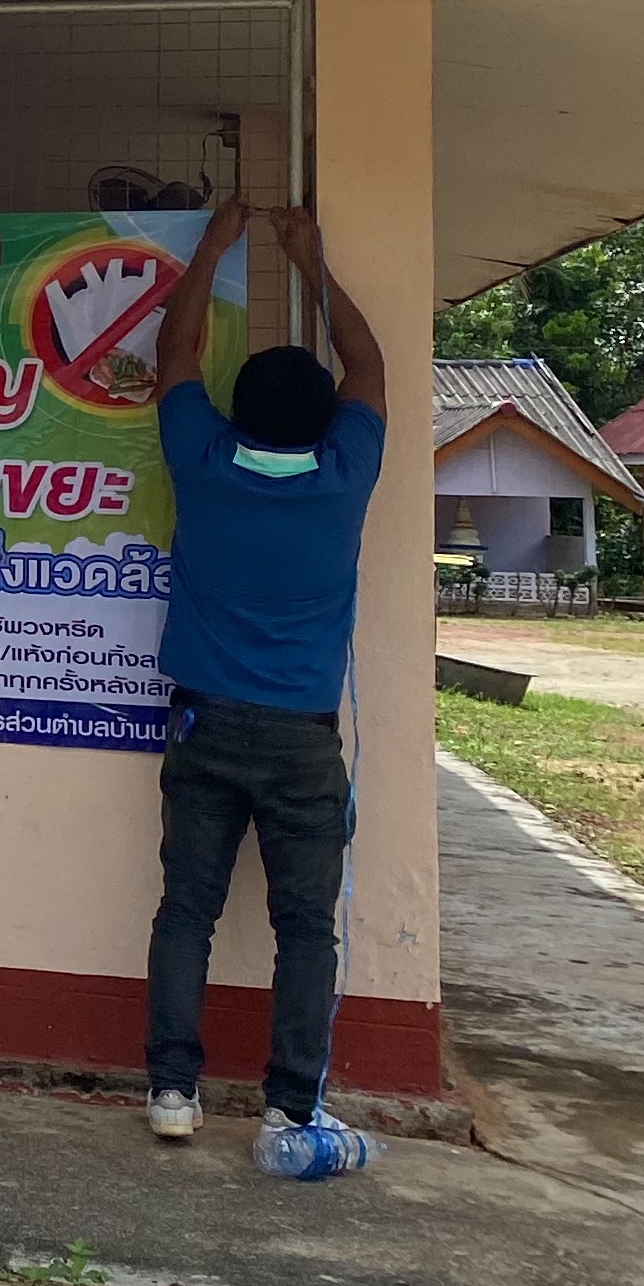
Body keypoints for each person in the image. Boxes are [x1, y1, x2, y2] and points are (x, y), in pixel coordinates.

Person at [143, 200, 390, 1177]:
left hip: (202, 726)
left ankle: (172, 1091)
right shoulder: (342, 474)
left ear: (235, 412)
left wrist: (212, 245)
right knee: (304, 928)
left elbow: (177, 352)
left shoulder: (204, 465)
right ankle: (290, 1112)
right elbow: (371, 370)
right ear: (326, 420)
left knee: (185, 910)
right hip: (300, 743)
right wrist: (313, 263)